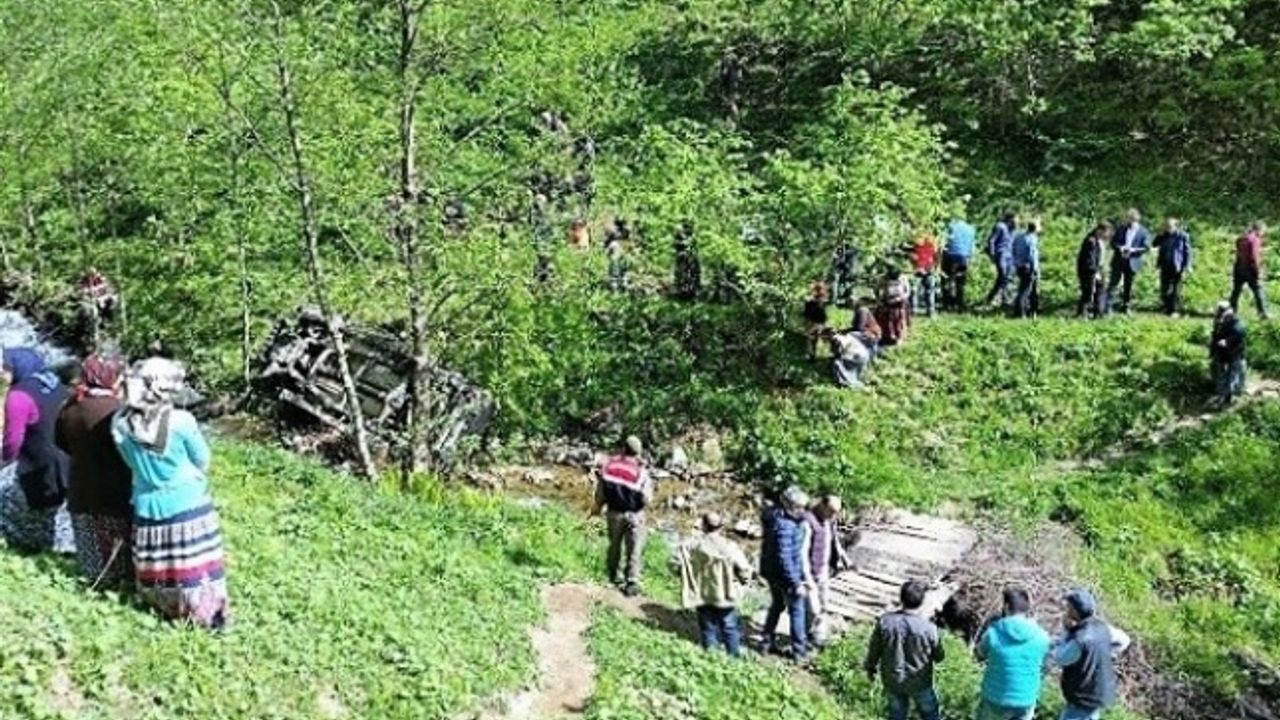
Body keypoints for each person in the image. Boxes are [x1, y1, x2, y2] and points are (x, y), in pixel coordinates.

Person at [113, 358, 229, 629]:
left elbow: (130, 462)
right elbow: (202, 459)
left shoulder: (119, 425)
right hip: (188, 501)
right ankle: (208, 617)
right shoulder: (181, 421)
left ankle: (164, 609)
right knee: (197, 565)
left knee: (159, 565)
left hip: (146, 503)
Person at [55, 354, 133, 586]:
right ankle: (121, 580)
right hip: (117, 490)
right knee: (120, 539)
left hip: (81, 487)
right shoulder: (118, 411)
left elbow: (60, 442)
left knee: (91, 541)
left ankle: (96, 578)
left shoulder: (69, 407)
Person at [0, 348, 74, 554]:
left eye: (6, 367)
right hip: (66, 470)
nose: (2, 373)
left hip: (36, 470)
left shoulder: (19, 396)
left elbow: (12, 443)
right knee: (50, 518)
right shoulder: (58, 387)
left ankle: (21, 550)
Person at [864, 580, 945, 720]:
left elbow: (874, 650)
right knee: (930, 713)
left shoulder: (885, 622)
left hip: (893, 679)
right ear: (922, 602)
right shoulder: (929, 629)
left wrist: (870, 668)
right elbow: (939, 656)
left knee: (897, 714)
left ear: (901, 599)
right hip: (920, 682)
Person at [676, 512, 752, 656]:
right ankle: (734, 658)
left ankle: (711, 656)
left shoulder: (692, 544)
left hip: (702, 592)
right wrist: (743, 584)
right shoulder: (730, 546)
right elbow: (744, 569)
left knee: (707, 626)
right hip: (725, 593)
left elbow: (674, 562)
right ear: (721, 527)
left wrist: (685, 575)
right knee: (729, 626)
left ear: (703, 525)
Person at [1051, 590, 1132, 720]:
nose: (1066, 609)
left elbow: (1061, 658)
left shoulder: (1081, 639)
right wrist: (1106, 653)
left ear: (1075, 611)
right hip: (1096, 694)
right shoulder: (1102, 628)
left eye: (1068, 607)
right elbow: (1125, 640)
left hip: (1082, 699)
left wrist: (1065, 631)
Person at [975, 586, 1052, 720]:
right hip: (1025, 699)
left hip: (995, 698)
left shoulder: (993, 634)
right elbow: (1046, 666)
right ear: (1027, 608)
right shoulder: (1042, 637)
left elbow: (979, 655)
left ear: (1006, 607)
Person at [593, 436, 654, 597]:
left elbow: (600, 493)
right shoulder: (641, 472)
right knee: (634, 548)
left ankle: (613, 574)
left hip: (614, 513)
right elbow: (647, 498)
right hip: (635, 515)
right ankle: (632, 582)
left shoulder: (609, 466)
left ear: (623, 448)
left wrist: (597, 508)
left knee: (614, 544)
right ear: (638, 452)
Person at [760, 486, 811, 660]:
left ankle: (766, 643)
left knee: (777, 605)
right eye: (800, 507)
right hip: (785, 576)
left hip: (771, 572)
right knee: (797, 610)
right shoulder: (786, 526)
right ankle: (800, 652)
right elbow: (785, 557)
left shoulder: (773, 516)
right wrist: (796, 582)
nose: (803, 511)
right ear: (790, 506)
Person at [803, 495, 849, 645]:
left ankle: (817, 637)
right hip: (809, 572)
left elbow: (834, 539)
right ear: (822, 505)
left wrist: (843, 557)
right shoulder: (807, 521)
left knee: (823, 606)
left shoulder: (829, 520)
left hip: (823, 571)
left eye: (836, 512)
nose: (833, 516)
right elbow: (801, 552)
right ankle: (803, 636)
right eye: (831, 511)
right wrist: (806, 576)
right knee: (813, 610)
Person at [1107, 208, 1150, 314]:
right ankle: (1107, 305)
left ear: (1136, 220)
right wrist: (1120, 248)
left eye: (1130, 219)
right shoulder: (1121, 229)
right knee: (1113, 283)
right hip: (1118, 260)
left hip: (1133, 261)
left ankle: (1126, 306)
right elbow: (1113, 243)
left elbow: (1146, 247)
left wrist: (1133, 250)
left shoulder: (1143, 232)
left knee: (1129, 285)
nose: (1127, 221)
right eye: (1127, 219)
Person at [1209, 301, 1247, 406]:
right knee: (1222, 374)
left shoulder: (1235, 320)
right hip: (1222, 353)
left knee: (1235, 374)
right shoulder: (1218, 321)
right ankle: (1222, 395)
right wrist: (1212, 351)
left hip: (1235, 352)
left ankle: (1231, 396)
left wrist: (1227, 341)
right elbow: (1215, 336)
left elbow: (1240, 333)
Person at [1153, 217, 1193, 317]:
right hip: (1164, 265)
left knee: (1176, 289)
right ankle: (1167, 308)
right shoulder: (1164, 235)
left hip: (1177, 266)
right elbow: (1154, 244)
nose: (1168, 228)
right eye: (1166, 226)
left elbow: (1187, 252)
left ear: (1175, 226)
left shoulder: (1182, 236)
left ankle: (1174, 310)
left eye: (1170, 226)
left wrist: (1188, 265)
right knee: (1164, 289)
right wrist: (1160, 233)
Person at [1230, 221, 1269, 319]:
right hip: (1249, 268)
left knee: (1236, 291)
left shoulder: (1241, 238)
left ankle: (1231, 311)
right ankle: (1263, 313)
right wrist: (1257, 270)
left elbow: (1238, 253)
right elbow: (1254, 256)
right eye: (1263, 231)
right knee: (1258, 290)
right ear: (1259, 229)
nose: (1263, 234)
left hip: (1238, 267)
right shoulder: (1255, 239)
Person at [1076, 223, 1110, 318]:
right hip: (1088, 271)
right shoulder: (1091, 241)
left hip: (1097, 270)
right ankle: (1083, 313)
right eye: (1105, 232)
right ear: (1100, 230)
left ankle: (1098, 312)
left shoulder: (1098, 240)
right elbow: (1090, 259)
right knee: (1088, 292)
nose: (1106, 235)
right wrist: (1095, 272)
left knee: (1099, 290)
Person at [942, 218, 977, 311]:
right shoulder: (971, 229)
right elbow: (972, 247)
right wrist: (970, 260)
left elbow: (943, 243)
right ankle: (959, 304)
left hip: (949, 256)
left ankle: (947, 304)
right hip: (963, 257)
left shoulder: (949, 227)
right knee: (960, 282)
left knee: (947, 279)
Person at [984, 213, 1017, 307]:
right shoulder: (1000, 226)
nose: (1017, 221)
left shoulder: (1013, 230)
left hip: (1010, 256)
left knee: (1006, 278)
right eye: (1015, 219)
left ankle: (1001, 299)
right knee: (1003, 276)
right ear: (1010, 219)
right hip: (1001, 255)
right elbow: (991, 240)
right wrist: (992, 255)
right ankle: (1000, 299)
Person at [1011, 221, 1042, 318]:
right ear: (1036, 228)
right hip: (1029, 267)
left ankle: (1030, 311)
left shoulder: (1019, 237)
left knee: (1023, 288)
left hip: (1019, 266)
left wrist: (1016, 263)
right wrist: (1035, 269)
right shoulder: (1032, 239)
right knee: (1026, 291)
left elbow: (1013, 250)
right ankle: (1022, 313)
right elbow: (1032, 255)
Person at [876, 270, 912, 347]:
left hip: (900, 302)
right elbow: (877, 289)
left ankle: (899, 337)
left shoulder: (903, 278)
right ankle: (888, 336)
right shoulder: (883, 278)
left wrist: (901, 298)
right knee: (887, 319)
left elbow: (908, 292)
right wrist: (880, 299)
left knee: (899, 319)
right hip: (887, 301)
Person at [912, 232, 939, 318]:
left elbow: (936, 255)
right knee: (927, 291)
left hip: (923, 268)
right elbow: (936, 255)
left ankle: (917, 310)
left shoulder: (918, 241)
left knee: (918, 290)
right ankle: (929, 311)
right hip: (925, 268)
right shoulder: (932, 242)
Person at [673, 223, 701, 301]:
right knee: (683, 274)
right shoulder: (679, 231)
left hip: (691, 258)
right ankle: (682, 291)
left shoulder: (694, 233)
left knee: (692, 274)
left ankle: (692, 292)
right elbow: (676, 244)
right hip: (682, 258)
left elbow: (695, 245)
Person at [803, 282, 830, 361]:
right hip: (819, 322)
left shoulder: (811, 301)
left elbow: (807, 312)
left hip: (813, 321)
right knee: (815, 339)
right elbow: (824, 314)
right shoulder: (823, 301)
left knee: (809, 339)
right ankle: (813, 355)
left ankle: (810, 355)